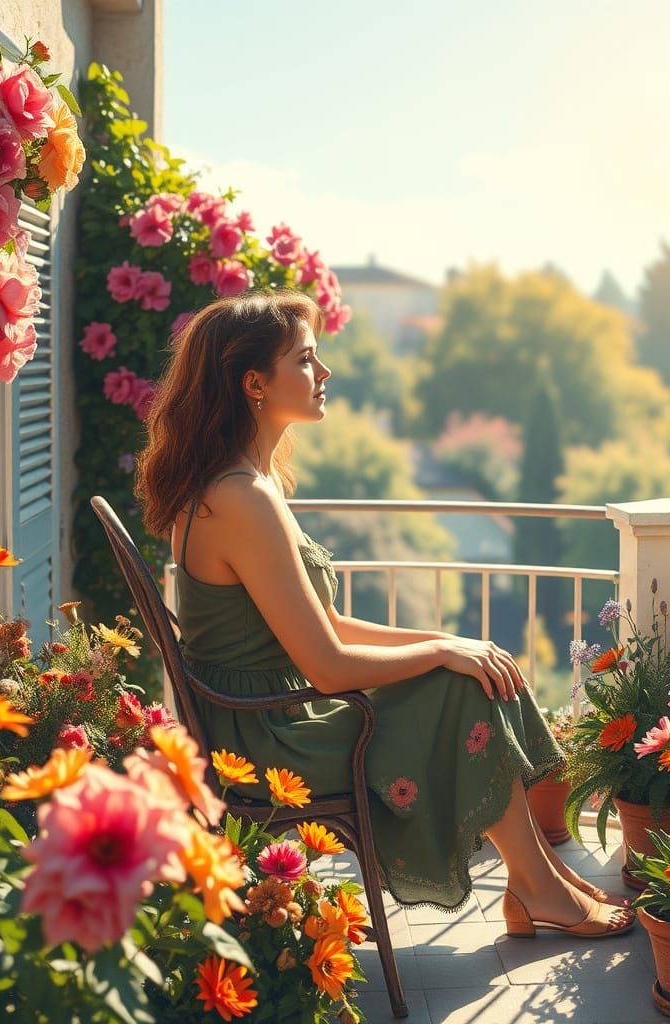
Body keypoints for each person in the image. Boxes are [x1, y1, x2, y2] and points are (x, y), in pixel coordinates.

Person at [135, 289, 633, 937]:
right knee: (460, 687)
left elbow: (323, 627)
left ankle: (536, 881)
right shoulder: (240, 498)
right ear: (255, 383)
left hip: (274, 707)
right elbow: (327, 661)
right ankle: (537, 885)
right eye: (307, 360)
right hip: (268, 735)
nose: (326, 374)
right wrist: (442, 654)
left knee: (466, 668)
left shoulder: (237, 485)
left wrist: (447, 638)